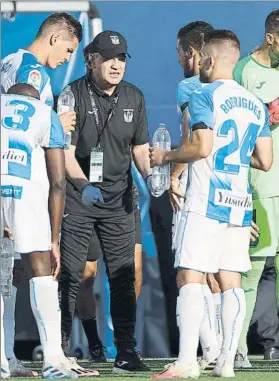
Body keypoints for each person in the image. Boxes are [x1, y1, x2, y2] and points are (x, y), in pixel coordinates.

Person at [150, 29, 273, 378]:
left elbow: (200, 147)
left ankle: (188, 361)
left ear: (210, 60)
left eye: (203, 58)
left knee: (190, 274)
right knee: (231, 278)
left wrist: (166, 156)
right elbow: (265, 160)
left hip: (204, 199)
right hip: (237, 200)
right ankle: (226, 363)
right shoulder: (255, 104)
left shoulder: (202, 94)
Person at [58, 30, 157, 373]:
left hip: (119, 200)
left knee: (123, 276)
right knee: (72, 274)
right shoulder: (71, 95)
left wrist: (153, 176)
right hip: (79, 196)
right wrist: (83, 184)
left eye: (121, 58)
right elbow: (66, 154)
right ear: (91, 60)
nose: (116, 65)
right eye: (108, 58)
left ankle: (126, 351)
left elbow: (140, 151)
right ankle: (61, 349)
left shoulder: (134, 97)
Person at [1, 12, 83, 377]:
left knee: (7, 273)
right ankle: (54, 358)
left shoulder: (7, 61)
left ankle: (7, 358)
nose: (67, 58)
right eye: (68, 49)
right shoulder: (33, 71)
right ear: (54, 38)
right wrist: (53, 120)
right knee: (39, 266)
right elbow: (25, 111)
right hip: (26, 180)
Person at [172, 21, 223, 369]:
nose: (177, 59)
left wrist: (174, 172)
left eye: (179, 52)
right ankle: (224, 348)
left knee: (189, 271)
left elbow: (193, 136)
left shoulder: (188, 86)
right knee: (217, 273)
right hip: (228, 186)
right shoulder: (232, 89)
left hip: (196, 184)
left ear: (191, 53)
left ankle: (211, 347)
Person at [233, 9, 279, 367]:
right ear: (270, 37)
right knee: (252, 269)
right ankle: (236, 346)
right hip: (260, 187)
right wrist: (265, 112)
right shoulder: (244, 72)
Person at [74, 180, 143, 362]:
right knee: (86, 275)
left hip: (123, 200)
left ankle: (124, 339)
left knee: (133, 271)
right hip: (87, 202)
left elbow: (144, 153)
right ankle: (94, 343)